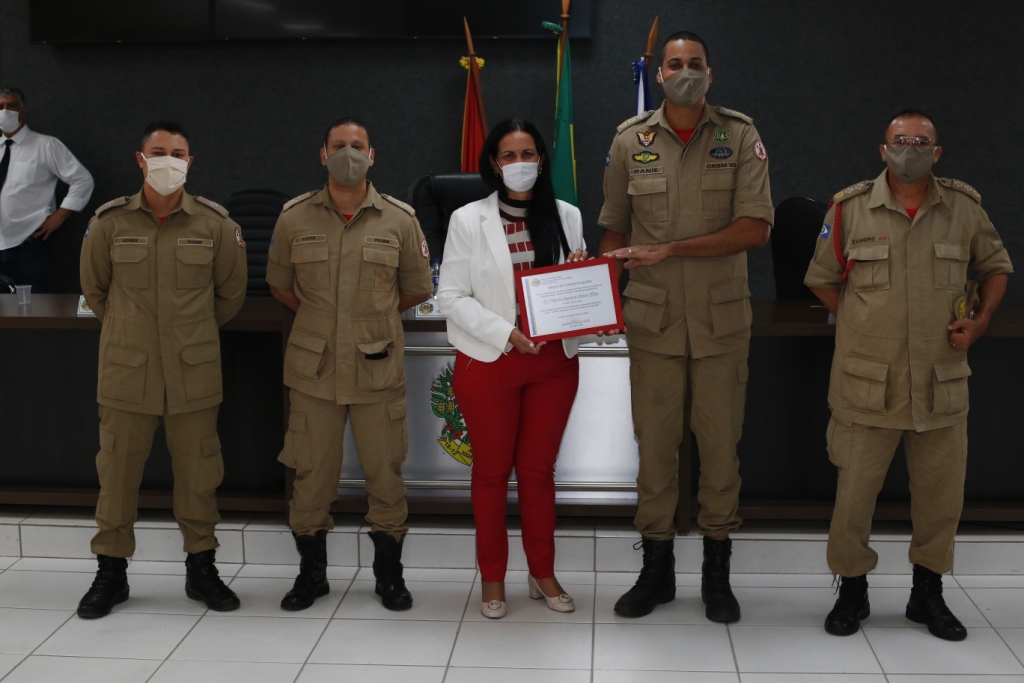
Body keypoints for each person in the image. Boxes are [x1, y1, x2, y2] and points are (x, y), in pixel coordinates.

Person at [805, 110, 1012, 641]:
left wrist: (981, 320)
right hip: (867, 381)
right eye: (900, 141)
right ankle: (852, 590)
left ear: (937, 153)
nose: (910, 149)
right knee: (854, 498)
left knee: (941, 498)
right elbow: (822, 279)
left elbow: (995, 267)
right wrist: (862, 319)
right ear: (882, 149)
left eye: (922, 142)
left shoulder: (963, 208)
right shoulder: (849, 208)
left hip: (941, 382)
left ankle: (928, 594)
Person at [598, 31, 773, 622]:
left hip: (721, 324)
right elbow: (615, 232)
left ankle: (717, 579)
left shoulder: (740, 135)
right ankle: (656, 574)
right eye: (675, 64)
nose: (685, 71)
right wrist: (599, 294)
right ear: (660, 72)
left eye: (695, 63)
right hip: (653, 323)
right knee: (655, 455)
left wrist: (669, 249)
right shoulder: (630, 140)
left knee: (721, 453)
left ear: (710, 72)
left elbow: (755, 229)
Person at [77, 121, 248, 618]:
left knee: (198, 475)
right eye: (159, 151)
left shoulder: (216, 224)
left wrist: (183, 336)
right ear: (140, 159)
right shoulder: (108, 222)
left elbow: (229, 296)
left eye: (178, 153)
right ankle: (110, 572)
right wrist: (137, 334)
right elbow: (96, 291)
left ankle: (202, 569)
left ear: (190, 163)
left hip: (193, 372)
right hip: (126, 371)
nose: (168, 160)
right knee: (117, 474)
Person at [267, 118, 432, 612]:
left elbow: (417, 288)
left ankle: (389, 577)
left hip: (376, 366)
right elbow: (280, 285)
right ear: (323, 156)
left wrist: (367, 318)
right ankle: (311, 575)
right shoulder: (293, 217)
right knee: (312, 473)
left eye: (356, 146)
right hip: (313, 369)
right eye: (338, 146)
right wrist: (327, 320)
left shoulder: (400, 218)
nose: (347, 153)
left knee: (385, 473)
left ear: (372, 155)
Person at [437, 119, 591, 619]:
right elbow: (450, 297)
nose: (519, 163)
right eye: (508, 155)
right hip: (491, 358)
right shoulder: (467, 219)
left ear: (542, 160)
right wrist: (505, 333)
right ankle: (493, 577)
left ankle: (541, 572)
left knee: (538, 472)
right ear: (493, 164)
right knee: (491, 472)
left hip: (553, 362)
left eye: (528, 153)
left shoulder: (566, 215)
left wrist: (591, 299)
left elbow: (571, 290)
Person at [0, 86, 94, 292]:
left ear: (22, 111)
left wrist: (60, 215)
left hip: (27, 247)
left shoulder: (46, 145)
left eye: (11, 106)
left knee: (36, 311)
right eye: (0, 107)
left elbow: (82, 179)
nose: (4, 112)